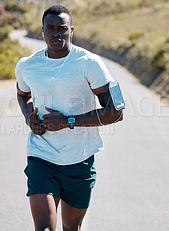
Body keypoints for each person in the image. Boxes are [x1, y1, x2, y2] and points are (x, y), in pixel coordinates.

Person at [15, 5, 123, 231]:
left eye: (62, 29)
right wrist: (28, 117)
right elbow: (23, 94)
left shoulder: (89, 63)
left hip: (80, 159)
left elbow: (115, 112)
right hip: (41, 156)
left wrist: (68, 121)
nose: (56, 33)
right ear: (42, 31)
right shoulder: (27, 66)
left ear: (71, 30)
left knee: (70, 228)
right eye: (50, 28)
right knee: (44, 227)